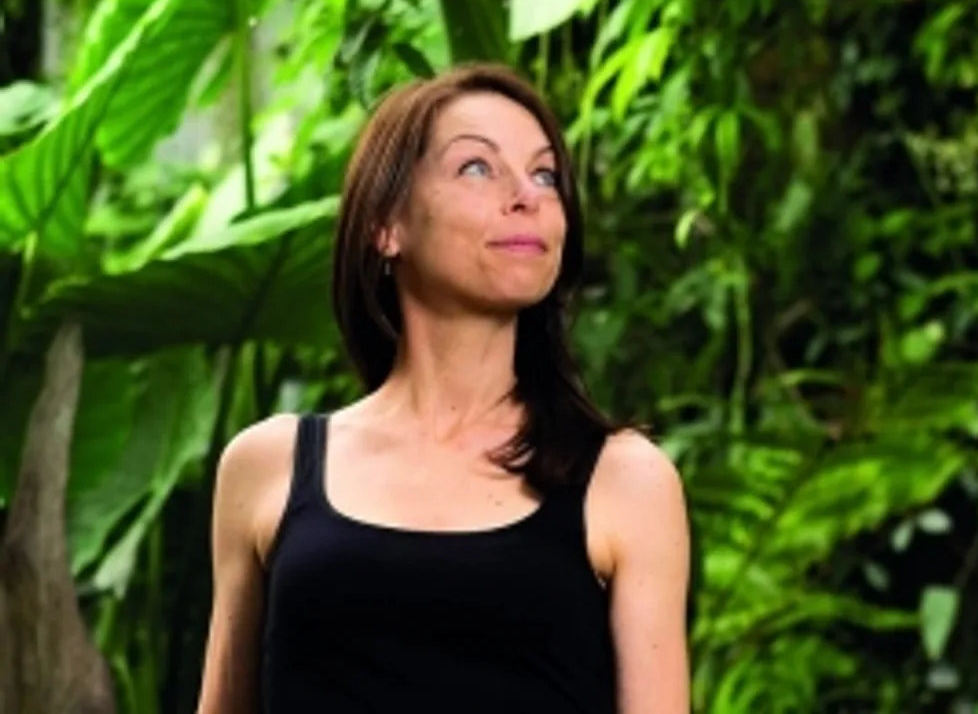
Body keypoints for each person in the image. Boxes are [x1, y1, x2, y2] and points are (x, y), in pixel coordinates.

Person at [194, 62, 693, 714]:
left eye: (545, 175)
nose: (528, 195)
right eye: (477, 167)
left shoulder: (624, 479)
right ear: (386, 225)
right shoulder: (268, 466)